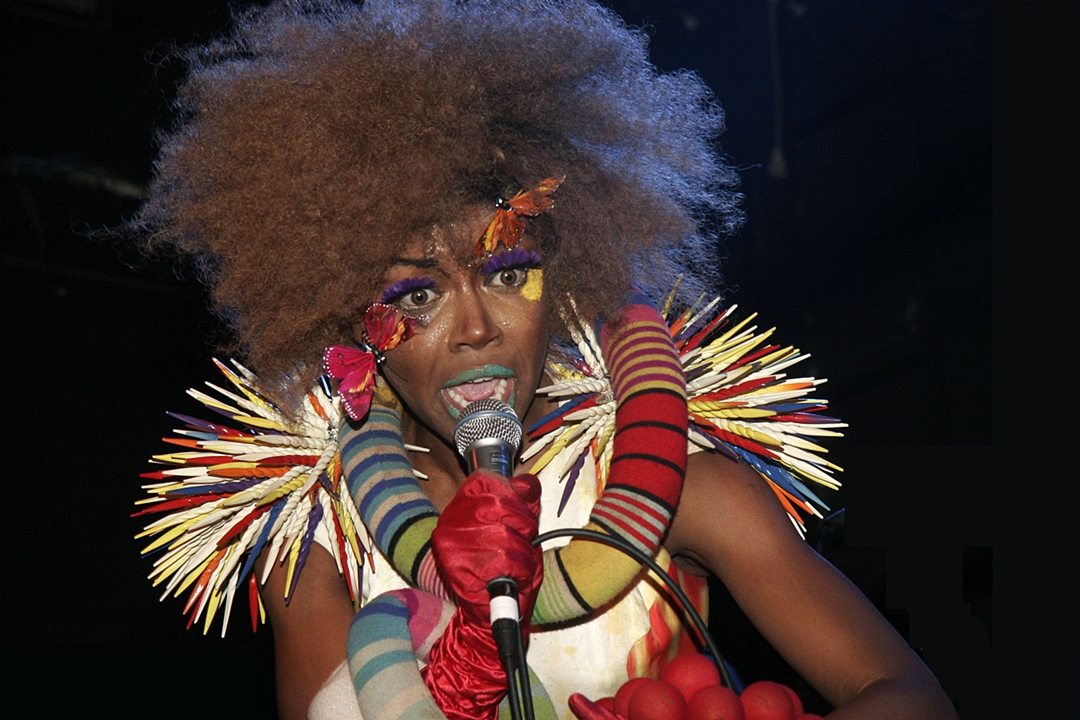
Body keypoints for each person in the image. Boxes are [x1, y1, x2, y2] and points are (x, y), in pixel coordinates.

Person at [129, 1, 958, 719]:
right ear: (349, 326)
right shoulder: (319, 547)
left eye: (509, 274)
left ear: (564, 283)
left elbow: (909, 696)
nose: (478, 329)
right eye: (418, 296)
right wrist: (453, 659)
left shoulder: (692, 490)